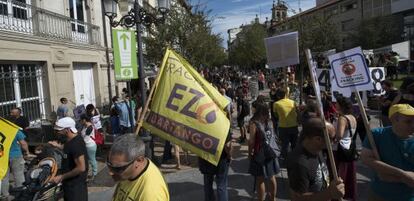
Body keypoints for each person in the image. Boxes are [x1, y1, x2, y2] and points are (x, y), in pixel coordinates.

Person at [361, 104, 414, 201]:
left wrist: (395, 177)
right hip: (378, 195)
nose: (413, 125)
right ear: (394, 120)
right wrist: (402, 174)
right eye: (408, 122)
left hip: (407, 197)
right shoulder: (377, 134)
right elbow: (365, 158)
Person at [287, 118, 345, 201]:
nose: (334, 142)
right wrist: (329, 193)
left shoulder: (317, 150)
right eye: (332, 138)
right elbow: (297, 198)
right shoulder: (299, 163)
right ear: (318, 139)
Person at [109, 134, 169, 201]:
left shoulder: (151, 195)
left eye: (118, 168)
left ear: (139, 160)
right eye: (109, 165)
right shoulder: (126, 172)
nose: (111, 172)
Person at [50, 117, 88, 201]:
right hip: (69, 185)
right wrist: (58, 146)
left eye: (59, 130)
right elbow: (69, 150)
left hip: (76, 188)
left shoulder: (76, 144)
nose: (57, 133)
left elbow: (81, 168)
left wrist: (61, 177)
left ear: (67, 130)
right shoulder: (70, 140)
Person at [248, 102, 279, 201]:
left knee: (260, 179)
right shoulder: (269, 121)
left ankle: (261, 199)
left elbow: (251, 141)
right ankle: (272, 198)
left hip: (259, 154)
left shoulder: (254, 123)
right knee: (271, 177)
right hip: (270, 152)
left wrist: (250, 153)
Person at [332, 96, 357, 201]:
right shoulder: (352, 117)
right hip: (349, 147)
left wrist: (331, 135)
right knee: (348, 174)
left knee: (339, 174)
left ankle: (338, 195)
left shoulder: (343, 118)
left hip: (340, 149)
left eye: (336, 103)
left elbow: (339, 135)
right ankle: (348, 194)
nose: (335, 105)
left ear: (341, 105)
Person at [1, 130, 30, 201]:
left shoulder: (2, 128)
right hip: (16, 155)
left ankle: (5, 196)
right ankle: (21, 195)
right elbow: (23, 143)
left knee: (4, 177)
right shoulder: (14, 129)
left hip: (2, 156)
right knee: (19, 175)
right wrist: (27, 152)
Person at [272, 88, 299, 159]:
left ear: (278, 96)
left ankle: (286, 160)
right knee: (294, 144)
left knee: (285, 145)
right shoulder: (293, 102)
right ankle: (295, 158)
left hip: (283, 127)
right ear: (285, 94)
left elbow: (276, 115)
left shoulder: (276, 104)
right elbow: (298, 112)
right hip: (294, 126)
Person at [79, 114, 97, 181]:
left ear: (84, 120)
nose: (80, 121)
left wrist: (79, 144)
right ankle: (87, 174)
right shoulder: (84, 126)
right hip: (86, 146)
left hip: (90, 146)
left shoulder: (90, 127)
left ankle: (94, 174)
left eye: (81, 120)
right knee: (87, 161)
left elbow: (86, 139)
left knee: (92, 160)